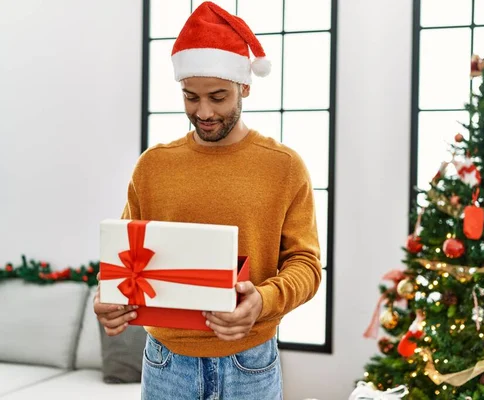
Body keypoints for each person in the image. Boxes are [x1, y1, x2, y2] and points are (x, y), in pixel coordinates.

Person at [93, 2, 322, 399]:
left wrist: (264, 301)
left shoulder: (283, 167)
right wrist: (109, 297)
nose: (203, 112)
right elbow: (125, 258)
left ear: (245, 86)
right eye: (190, 97)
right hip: (165, 364)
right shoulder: (153, 166)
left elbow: (307, 265)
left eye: (218, 96)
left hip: (249, 363)